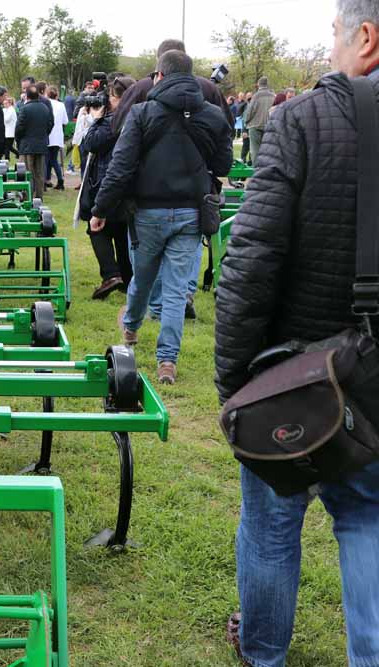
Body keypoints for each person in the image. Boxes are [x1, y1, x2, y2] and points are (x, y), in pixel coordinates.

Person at [216, 3, 379, 665]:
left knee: (272, 526)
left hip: (292, 379)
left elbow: (252, 258)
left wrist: (234, 379)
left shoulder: (303, 118)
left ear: (365, 36)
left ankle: (264, 655)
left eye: (335, 37)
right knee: (368, 520)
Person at [89, 50, 232, 385]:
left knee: (143, 277)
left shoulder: (141, 113)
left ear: (159, 76)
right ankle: (166, 360)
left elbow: (120, 168)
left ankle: (131, 327)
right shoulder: (212, 115)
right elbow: (223, 165)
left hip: (148, 212)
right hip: (191, 212)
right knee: (175, 288)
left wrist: (100, 210)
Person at [78, 76, 136, 299]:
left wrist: (96, 119)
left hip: (108, 180)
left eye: (112, 96)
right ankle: (126, 278)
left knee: (97, 227)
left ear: (119, 97)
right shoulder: (140, 114)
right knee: (120, 228)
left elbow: (89, 144)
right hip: (128, 182)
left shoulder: (115, 120)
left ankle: (111, 274)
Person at [113, 39, 234, 133]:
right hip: (202, 163)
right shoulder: (209, 87)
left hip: (150, 162)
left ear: (158, 59)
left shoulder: (139, 88)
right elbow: (227, 128)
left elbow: (118, 128)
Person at [15, 85, 53, 200]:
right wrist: (44, 135)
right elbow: (50, 124)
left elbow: (19, 128)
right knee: (39, 173)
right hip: (41, 144)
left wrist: (19, 140)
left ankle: (28, 196)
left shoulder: (25, 109)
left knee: (27, 172)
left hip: (27, 145)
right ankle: (39, 196)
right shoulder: (45, 108)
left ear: (27, 96)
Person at [243, 77, 274, 164]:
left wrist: (246, 121)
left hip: (255, 126)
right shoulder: (273, 95)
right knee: (267, 150)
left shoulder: (256, 96)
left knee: (255, 149)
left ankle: (257, 171)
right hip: (269, 125)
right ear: (267, 84)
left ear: (258, 84)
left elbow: (250, 111)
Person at [45, 86, 69, 190]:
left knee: (50, 159)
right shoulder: (61, 105)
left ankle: (59, 180)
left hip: (48, 134)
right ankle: (49, 179)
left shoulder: (46, 103)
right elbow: (65, 121)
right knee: (52, 159)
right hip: (58, 136)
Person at [2, 94, 17, 159]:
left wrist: (2, 116)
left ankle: (7, 160)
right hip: (7, 132)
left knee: (7, 147)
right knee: (9, 147)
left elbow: (6, 119)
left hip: (10, 132)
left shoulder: (11, 110)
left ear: (9, 103)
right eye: (4, 104)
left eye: (6, 103)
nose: (4, 105)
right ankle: (18, 154)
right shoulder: (6, 109)